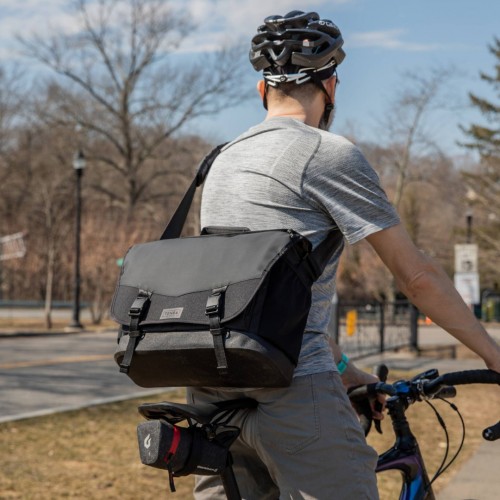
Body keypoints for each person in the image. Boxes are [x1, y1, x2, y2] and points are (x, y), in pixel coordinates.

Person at [187, 10, 500, 499]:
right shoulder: (327, 154)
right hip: (289, 386)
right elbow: (416, 277)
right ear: (331, 86)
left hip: (211, 386)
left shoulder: (223, 159)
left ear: (262, 90)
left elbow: (261, 301)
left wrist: (346, 372)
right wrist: (493, 353)